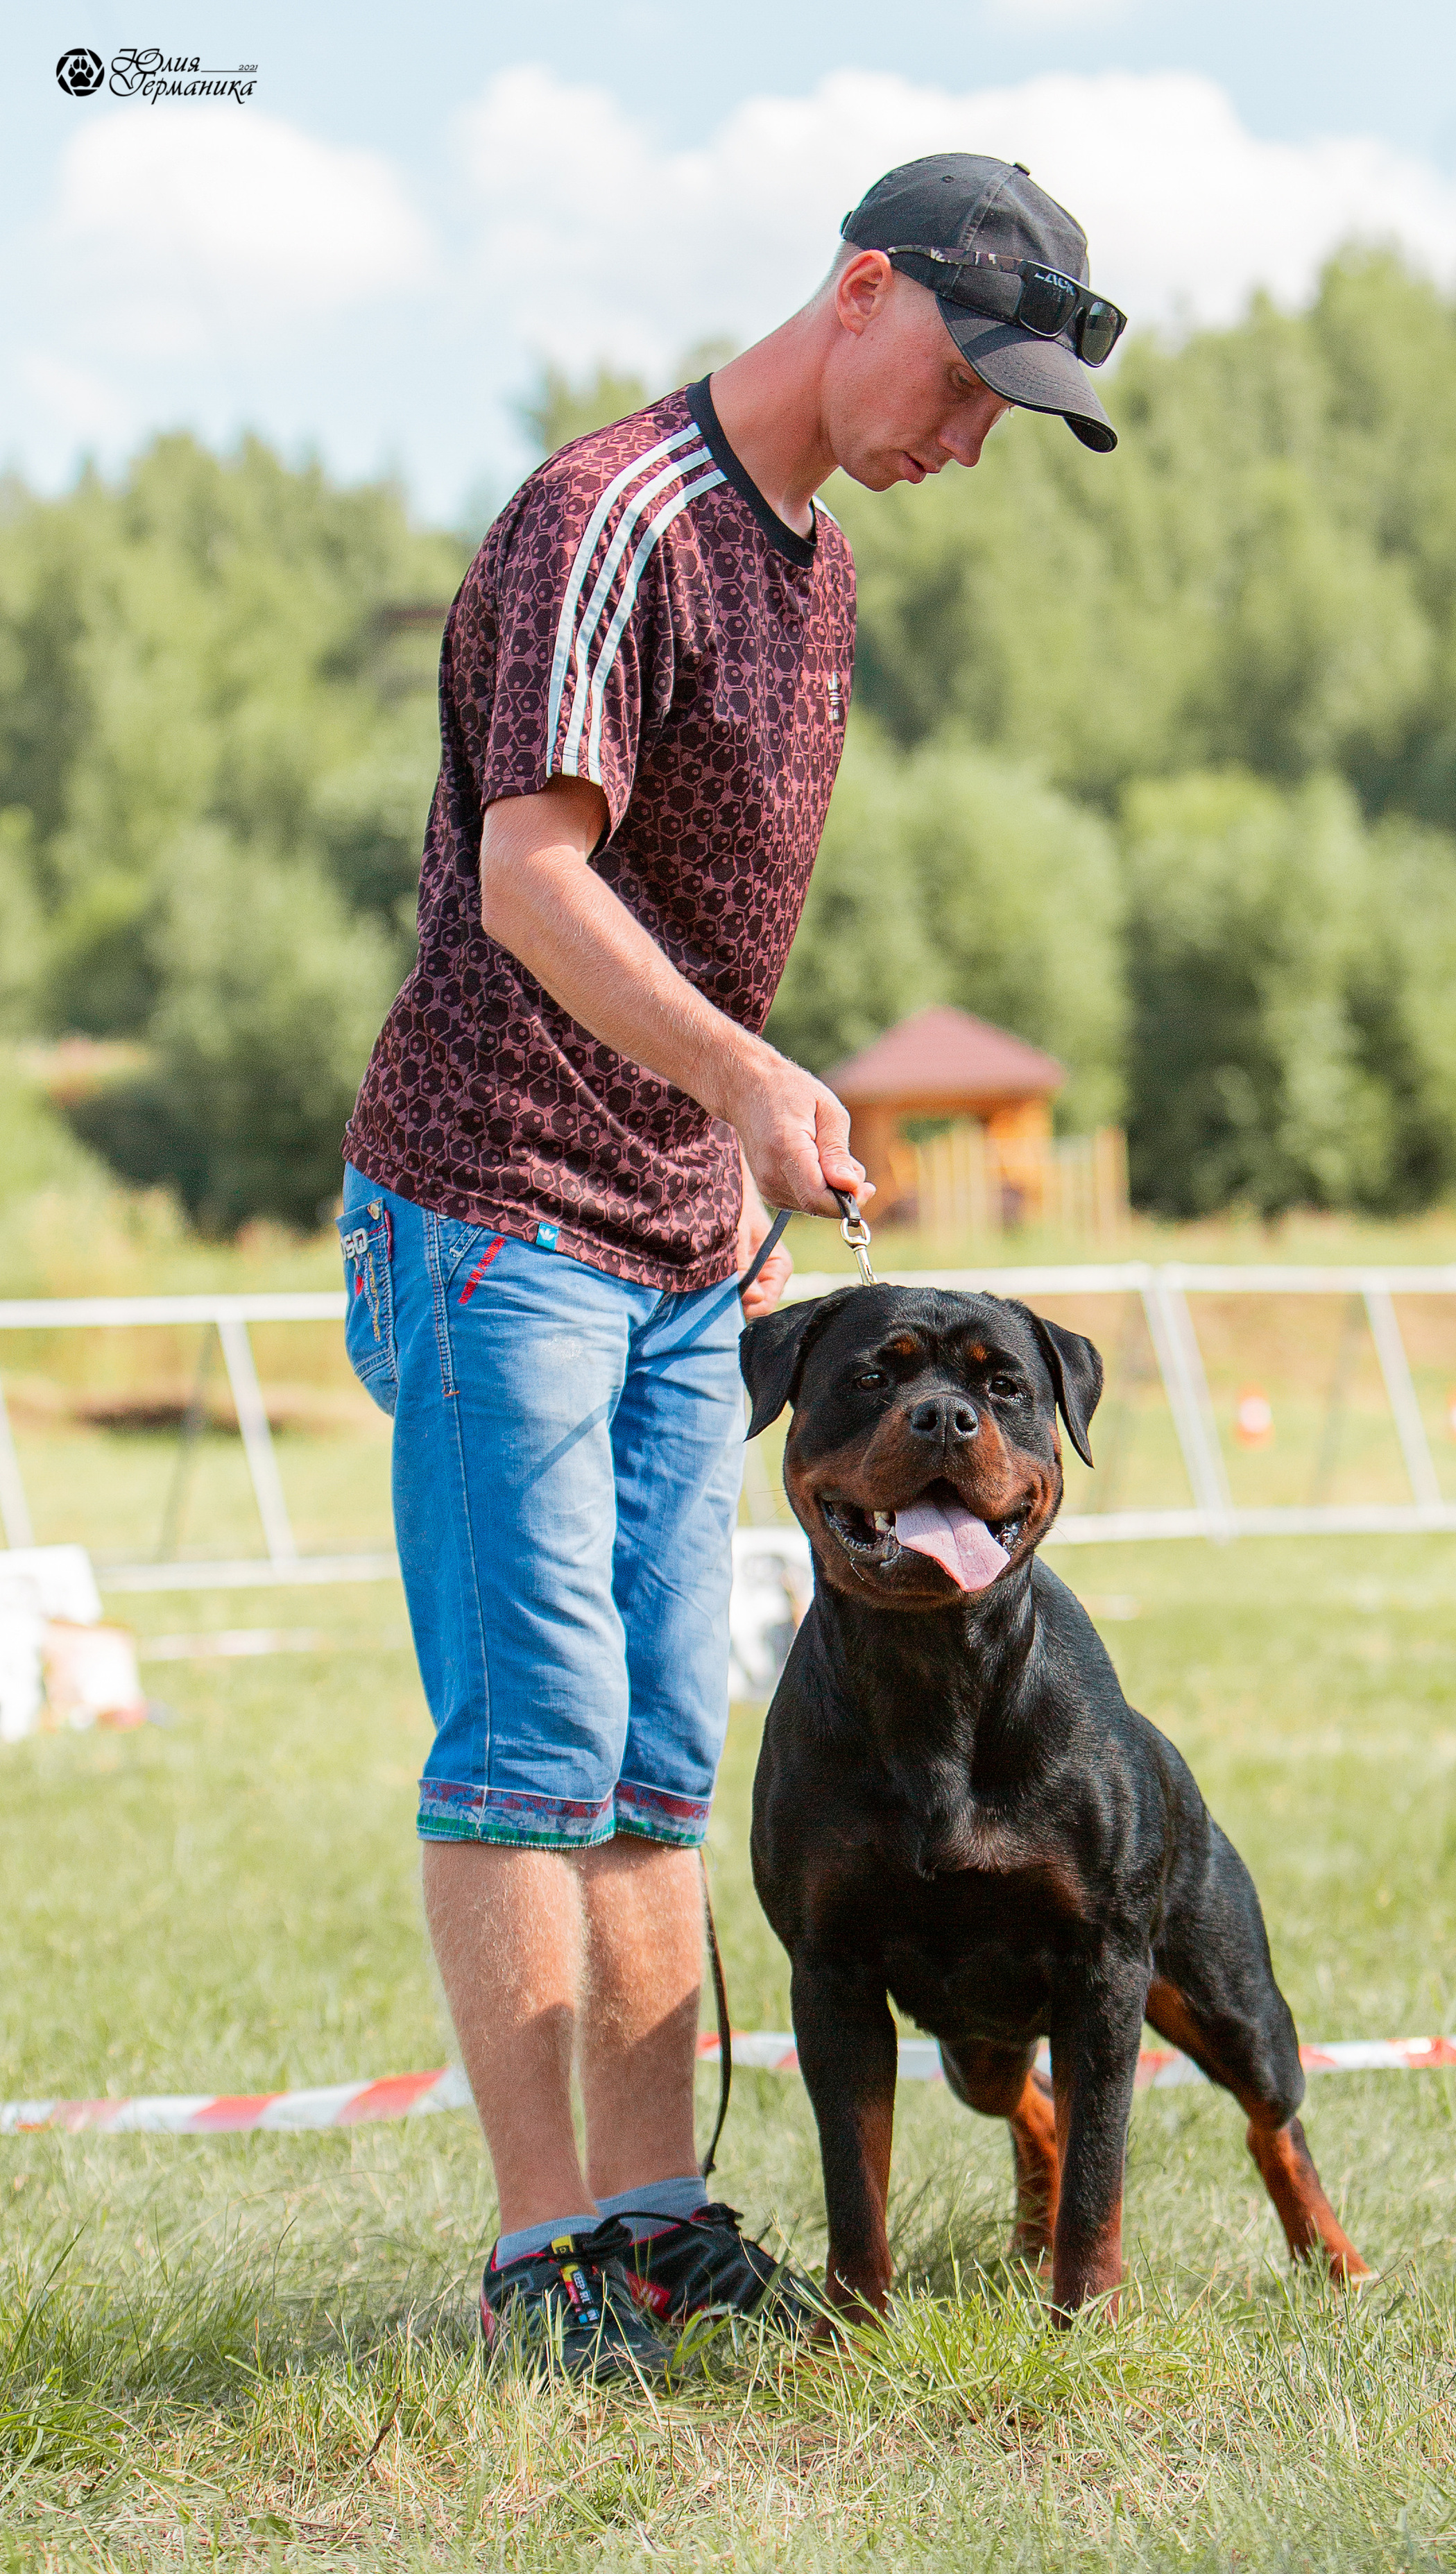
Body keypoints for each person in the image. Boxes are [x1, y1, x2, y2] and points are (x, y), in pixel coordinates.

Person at [336, 151, 1124, 2379]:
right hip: (500, 1209)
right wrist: (750, 1073)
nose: (973, 437)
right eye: (970, 384)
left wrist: (743, 1144)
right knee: (533, 1737)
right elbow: (532, 881)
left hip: (691, 1250)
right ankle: (540, 2259)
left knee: (672, 1748)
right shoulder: (611, 517)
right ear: (861, 291)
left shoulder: (824, 576)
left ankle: (659, 2224)